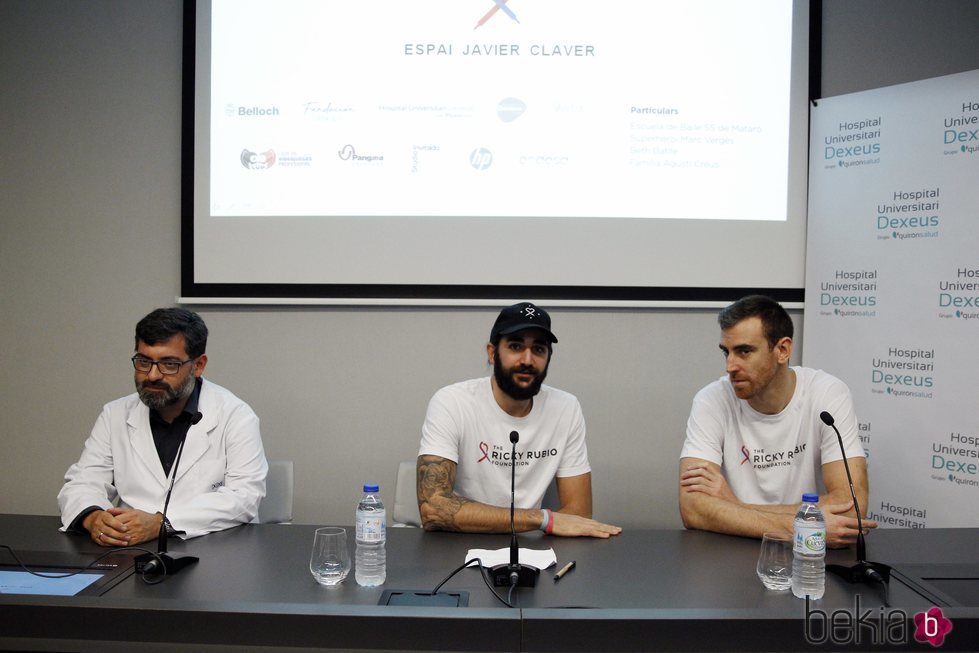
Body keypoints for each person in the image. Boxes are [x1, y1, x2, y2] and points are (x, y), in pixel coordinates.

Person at [58, 308, 268, 546]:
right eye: (144, 361)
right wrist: (93, 517)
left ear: (198, 365)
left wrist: (161, 523)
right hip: (129, 551)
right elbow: (83, 483)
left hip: (212, 549)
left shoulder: (235, 415)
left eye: (169, 364)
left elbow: (245, 497)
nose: (153, 375)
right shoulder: (115, 414)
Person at [678, 295, 877, 547]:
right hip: (734, 548)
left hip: (807, 556)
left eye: (744, 351)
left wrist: (733, 507)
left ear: (782, 350)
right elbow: (693, 509)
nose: (730, 366)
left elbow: (851, 508)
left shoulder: (826, 393)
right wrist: (796, 526)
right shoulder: (711, 400)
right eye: (726, 352)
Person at [417, 302, 621, 538]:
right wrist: (541, 518)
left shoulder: (566, 407)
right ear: (492, 353)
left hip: (531, 552)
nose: (527, 360)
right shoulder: (452, 402)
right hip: (462, 545)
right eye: (515, 346)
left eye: (539, 349)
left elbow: (580, 513)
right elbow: (433, 508)